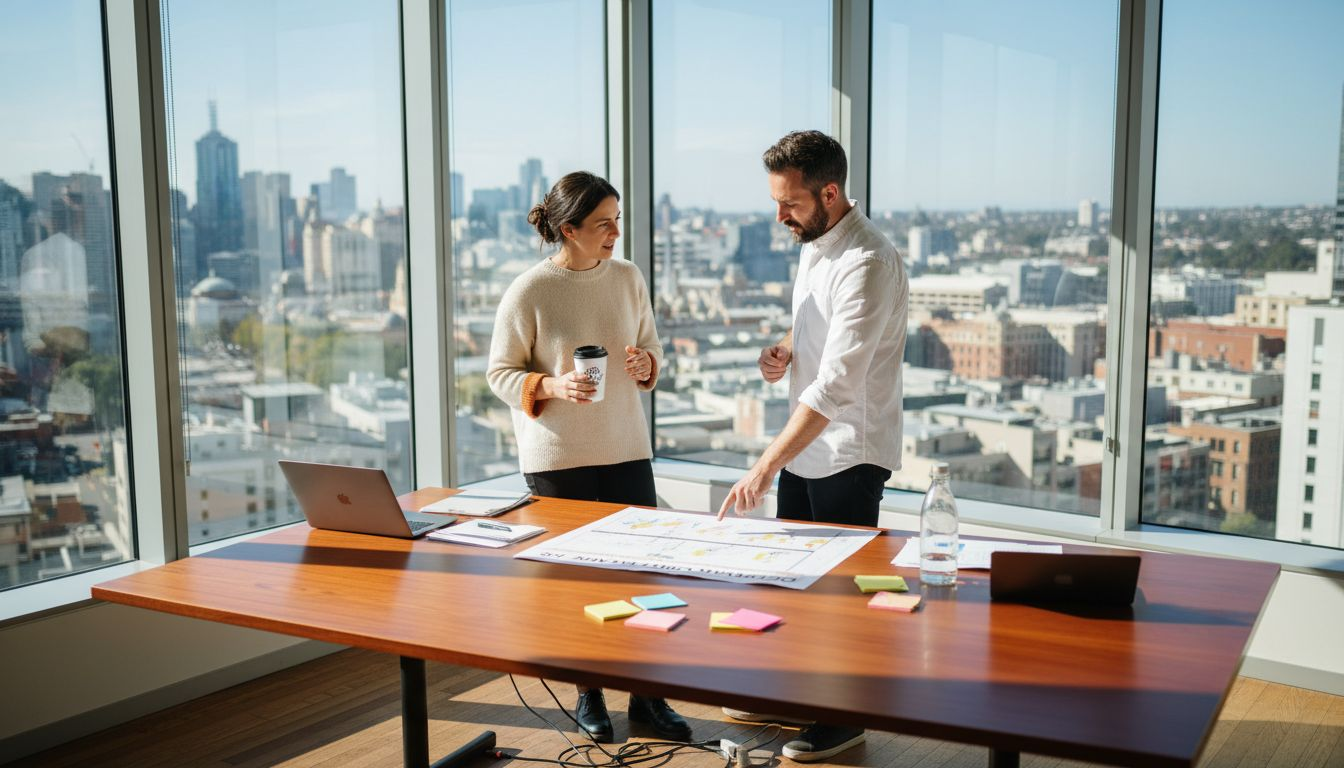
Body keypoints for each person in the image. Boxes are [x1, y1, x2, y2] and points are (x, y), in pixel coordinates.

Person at [716, 130, 908, 762]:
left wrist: (764, 463)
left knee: (843, 595)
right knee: (796, 583)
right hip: (809, 446)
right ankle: (798, 694)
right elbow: (823, 337)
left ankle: (842, 717)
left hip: (851, 448)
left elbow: (840, 382)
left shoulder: (870, 261)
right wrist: (786, 348)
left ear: (830, 192)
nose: (780, 218)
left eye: (790, 204)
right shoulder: (815, 242)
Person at [486, 171, 691, 745]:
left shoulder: (628, 278)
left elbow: (650, 345)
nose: (615, 233)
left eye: (617, 219)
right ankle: (588, 693)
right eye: (603, 224)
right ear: (568, 229)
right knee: (578, 584)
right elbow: (499, 373)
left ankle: (649, 696)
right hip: (558, 459)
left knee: (643, 577)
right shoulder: (529, 290)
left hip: (627, 448)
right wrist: (552, 386)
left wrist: (648, 367)